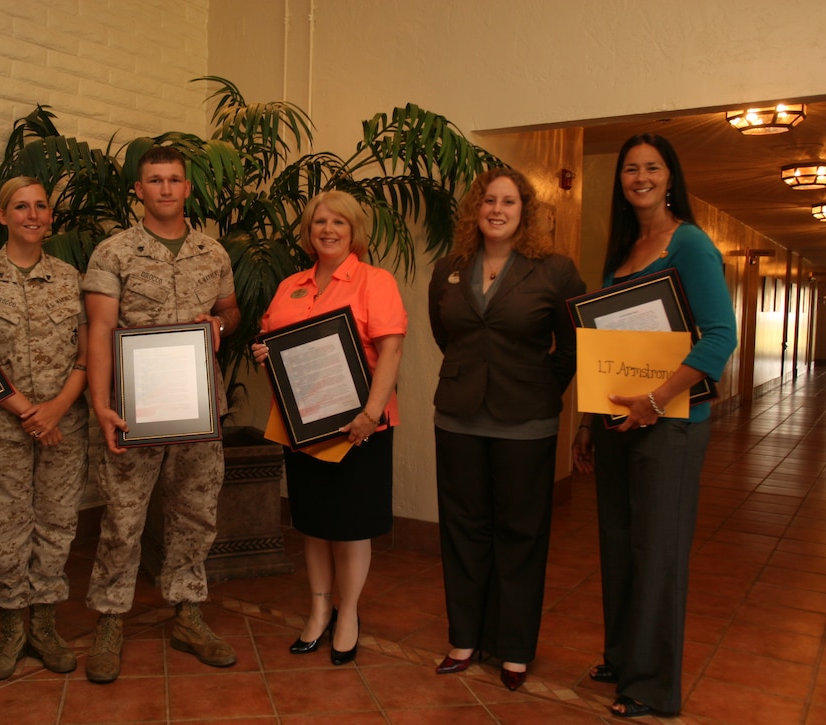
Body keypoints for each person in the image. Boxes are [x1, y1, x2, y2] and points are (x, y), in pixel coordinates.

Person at [572, 134, 737, 718]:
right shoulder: (624, 251)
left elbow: (721, 337)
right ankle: (622, 657)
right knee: (619, 546)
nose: (640, 177)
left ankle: (651, 685)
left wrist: (655, 398)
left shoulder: (688, 244)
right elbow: (605, 349)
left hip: (671, 424)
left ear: (670, 178)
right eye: (630, 169)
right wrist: (589, 422)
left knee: (657, 550)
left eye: (652, 168)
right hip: (619, 423)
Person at [81, 145, 241, 684]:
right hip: (137, 408)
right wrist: (101, 405)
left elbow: (230, 311)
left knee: (196, 512)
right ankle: (110, 618)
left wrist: (219, 326)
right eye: (155, 180)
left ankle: (188, 611)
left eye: (174, 179)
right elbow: (99, 331)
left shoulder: (213, 252)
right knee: (124, 518)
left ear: (188, 188)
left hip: (199, 407)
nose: (166, 188)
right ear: (139, 190)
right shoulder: (114, 253)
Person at [428, 167, 584, 691]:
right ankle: (465, 638)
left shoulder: (555, 270)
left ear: (525, 212)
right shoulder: (448, 267)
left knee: (520, 534)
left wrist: (541, 384)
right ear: (476, 209)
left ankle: (515, 648)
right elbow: (444, 332)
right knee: (463, 530)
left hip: (527, 419)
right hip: (458, 418)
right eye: (488, 201)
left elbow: (574, 343)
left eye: (509, 202)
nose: (497, 210)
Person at [252, 190, 407, 666]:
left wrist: (370, 413)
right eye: (320, 221)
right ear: (309, 231)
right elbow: (272, 342)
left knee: (350, 525)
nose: (329, 229)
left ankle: (348, 614)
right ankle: (319, 609)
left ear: (354, 230)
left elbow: (392, 351)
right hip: (300, 426)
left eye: (339, 222)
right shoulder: (290, 284)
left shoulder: (374, 280)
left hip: (359, 427)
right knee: (314, 523)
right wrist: (264, 353)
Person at [0, 177, 89, 680]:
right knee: (6, 524)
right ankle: (11, 625)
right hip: (3, 425)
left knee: (58, 522)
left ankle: (44, 623)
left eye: (41, 206)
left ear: (51, 218)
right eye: (21, 206)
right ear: (2, 216)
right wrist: (27, 412)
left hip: (65, 421)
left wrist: (57, 406)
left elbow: (87, 352)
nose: (32, 214)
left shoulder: (69, 278)